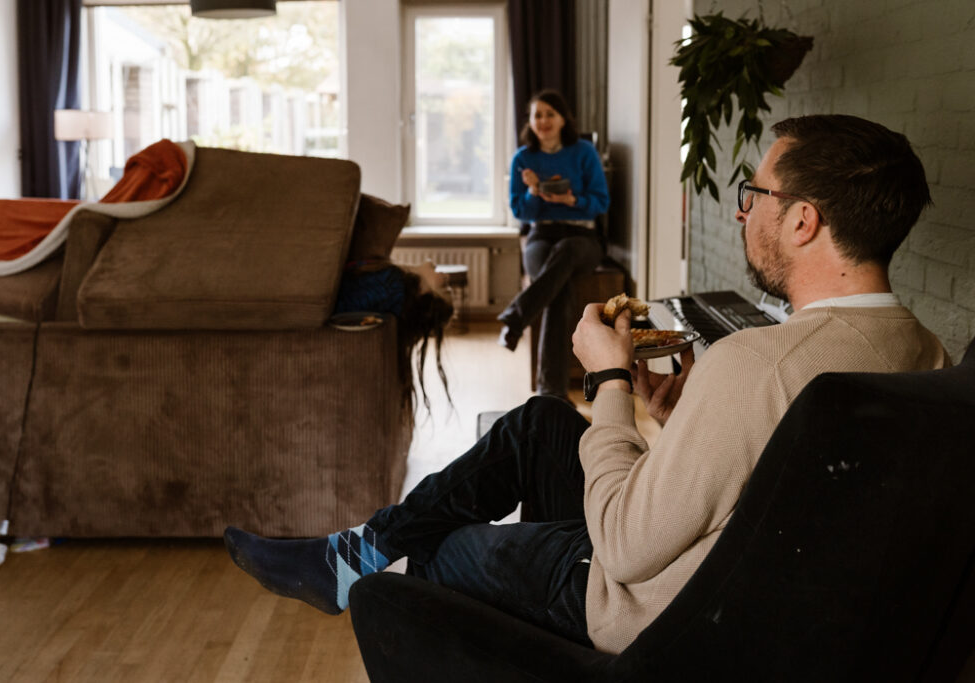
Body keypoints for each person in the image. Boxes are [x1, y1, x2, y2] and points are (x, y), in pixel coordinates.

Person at [224, 114, 951, 654]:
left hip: (648, 602)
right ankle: (346, 555)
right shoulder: (927, 355)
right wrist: (682, 413)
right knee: (539, 422)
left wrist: (606, 377)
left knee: (442, 552)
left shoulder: (758, 362)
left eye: (754, 192)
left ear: (801, 221)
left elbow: (628, 548)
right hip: (747, 580)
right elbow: (777, 483)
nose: (740, 210)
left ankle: (367, 565)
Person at [496, 89, 610, 402]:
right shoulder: (523, 159)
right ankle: (553, 393)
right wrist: (533, 191)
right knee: (557, 288)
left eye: (550, 114)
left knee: (567, 252)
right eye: (537, 115)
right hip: (540, 235)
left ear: (562, 119)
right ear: (530, 122)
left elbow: (601, 202)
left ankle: (517, 318)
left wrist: (569, 199)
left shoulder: (583, 152)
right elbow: (519, 211)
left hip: (582, 237)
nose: (543, 121)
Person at [334, 258, 454, 412]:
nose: (447, 277)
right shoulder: (393, 282)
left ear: (422, 291)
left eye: (444, 286)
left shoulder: (392, 284)